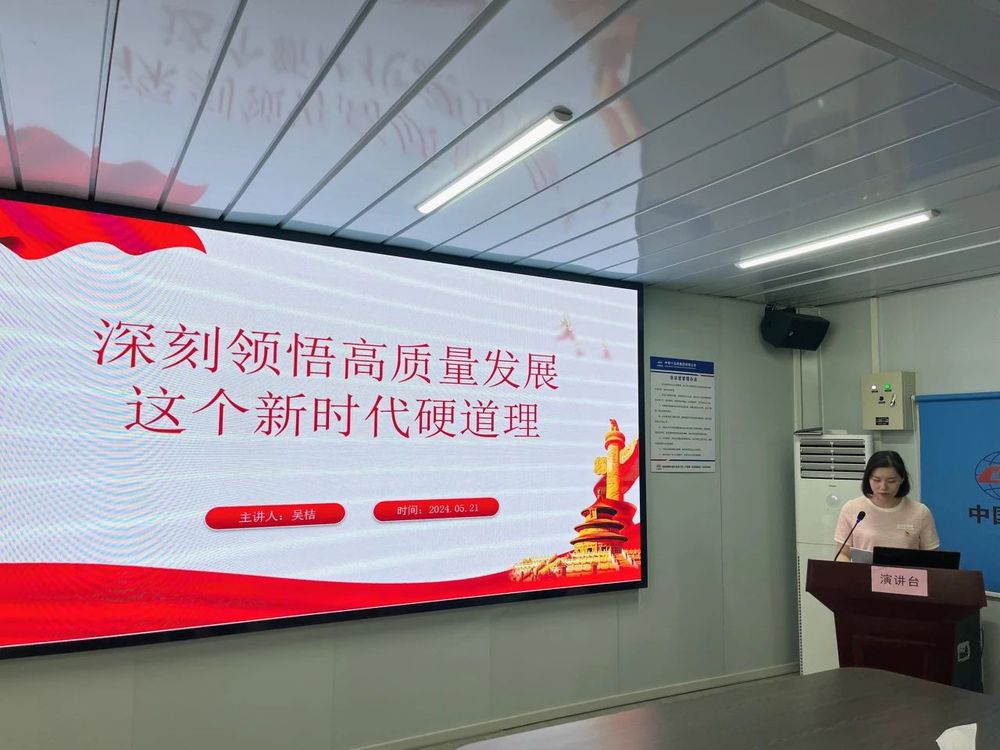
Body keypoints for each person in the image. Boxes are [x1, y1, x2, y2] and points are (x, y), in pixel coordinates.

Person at [834, 450, 940, 562]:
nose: (883, 487)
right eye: (876, 480)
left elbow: (932, 558)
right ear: (868, 479)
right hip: (863, 572)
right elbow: (843, 553)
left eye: (891, 481)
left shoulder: (920, 512)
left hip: (906, 573)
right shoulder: (852, 508)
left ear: (902, 479)